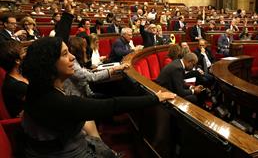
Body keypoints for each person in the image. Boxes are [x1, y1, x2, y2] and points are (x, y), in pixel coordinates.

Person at [21, 37, 176, 158]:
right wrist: (155, 98)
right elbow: (112, 105)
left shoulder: (38, 87)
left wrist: (68, 15)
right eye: (64, 54)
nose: (72, 57)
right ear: (48, 63)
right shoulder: (57, 102)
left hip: (61, 144)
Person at [0, 40, 28, 118]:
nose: (27, 54)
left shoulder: (20, 73)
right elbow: (42, 103)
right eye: (23, 52)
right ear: (17, 61)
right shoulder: (17, 86)